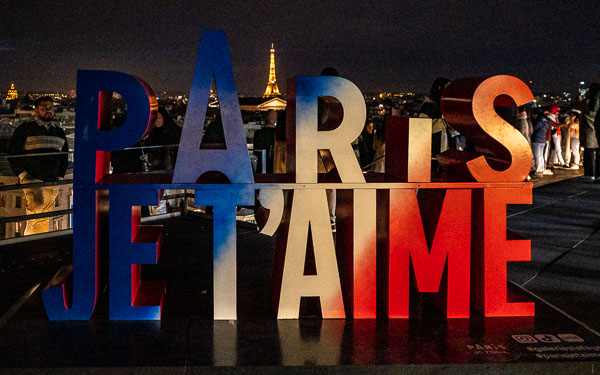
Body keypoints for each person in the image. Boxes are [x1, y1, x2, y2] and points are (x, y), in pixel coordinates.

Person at [8, 96, 68, 235]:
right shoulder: (26, 129)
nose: (48, 111)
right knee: (35, 212)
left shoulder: (59, 132)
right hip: (32, 178)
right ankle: (30, 245)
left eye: (50, 108)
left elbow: (64, 156)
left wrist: (60, 176)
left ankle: (37, 244)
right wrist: (23, 174)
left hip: (52, 179)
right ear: (36, 111)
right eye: (44, 108)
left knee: (44, 216)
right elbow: (13, 153)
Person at [530, 109, 550, 178]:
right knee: (541, 156)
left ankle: (538, 172)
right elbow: (547, 128)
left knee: (537, 156)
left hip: (537, 140)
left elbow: (534, 128)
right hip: (543, 140)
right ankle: (541, 170)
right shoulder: (545, 120)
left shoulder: (539, 121)